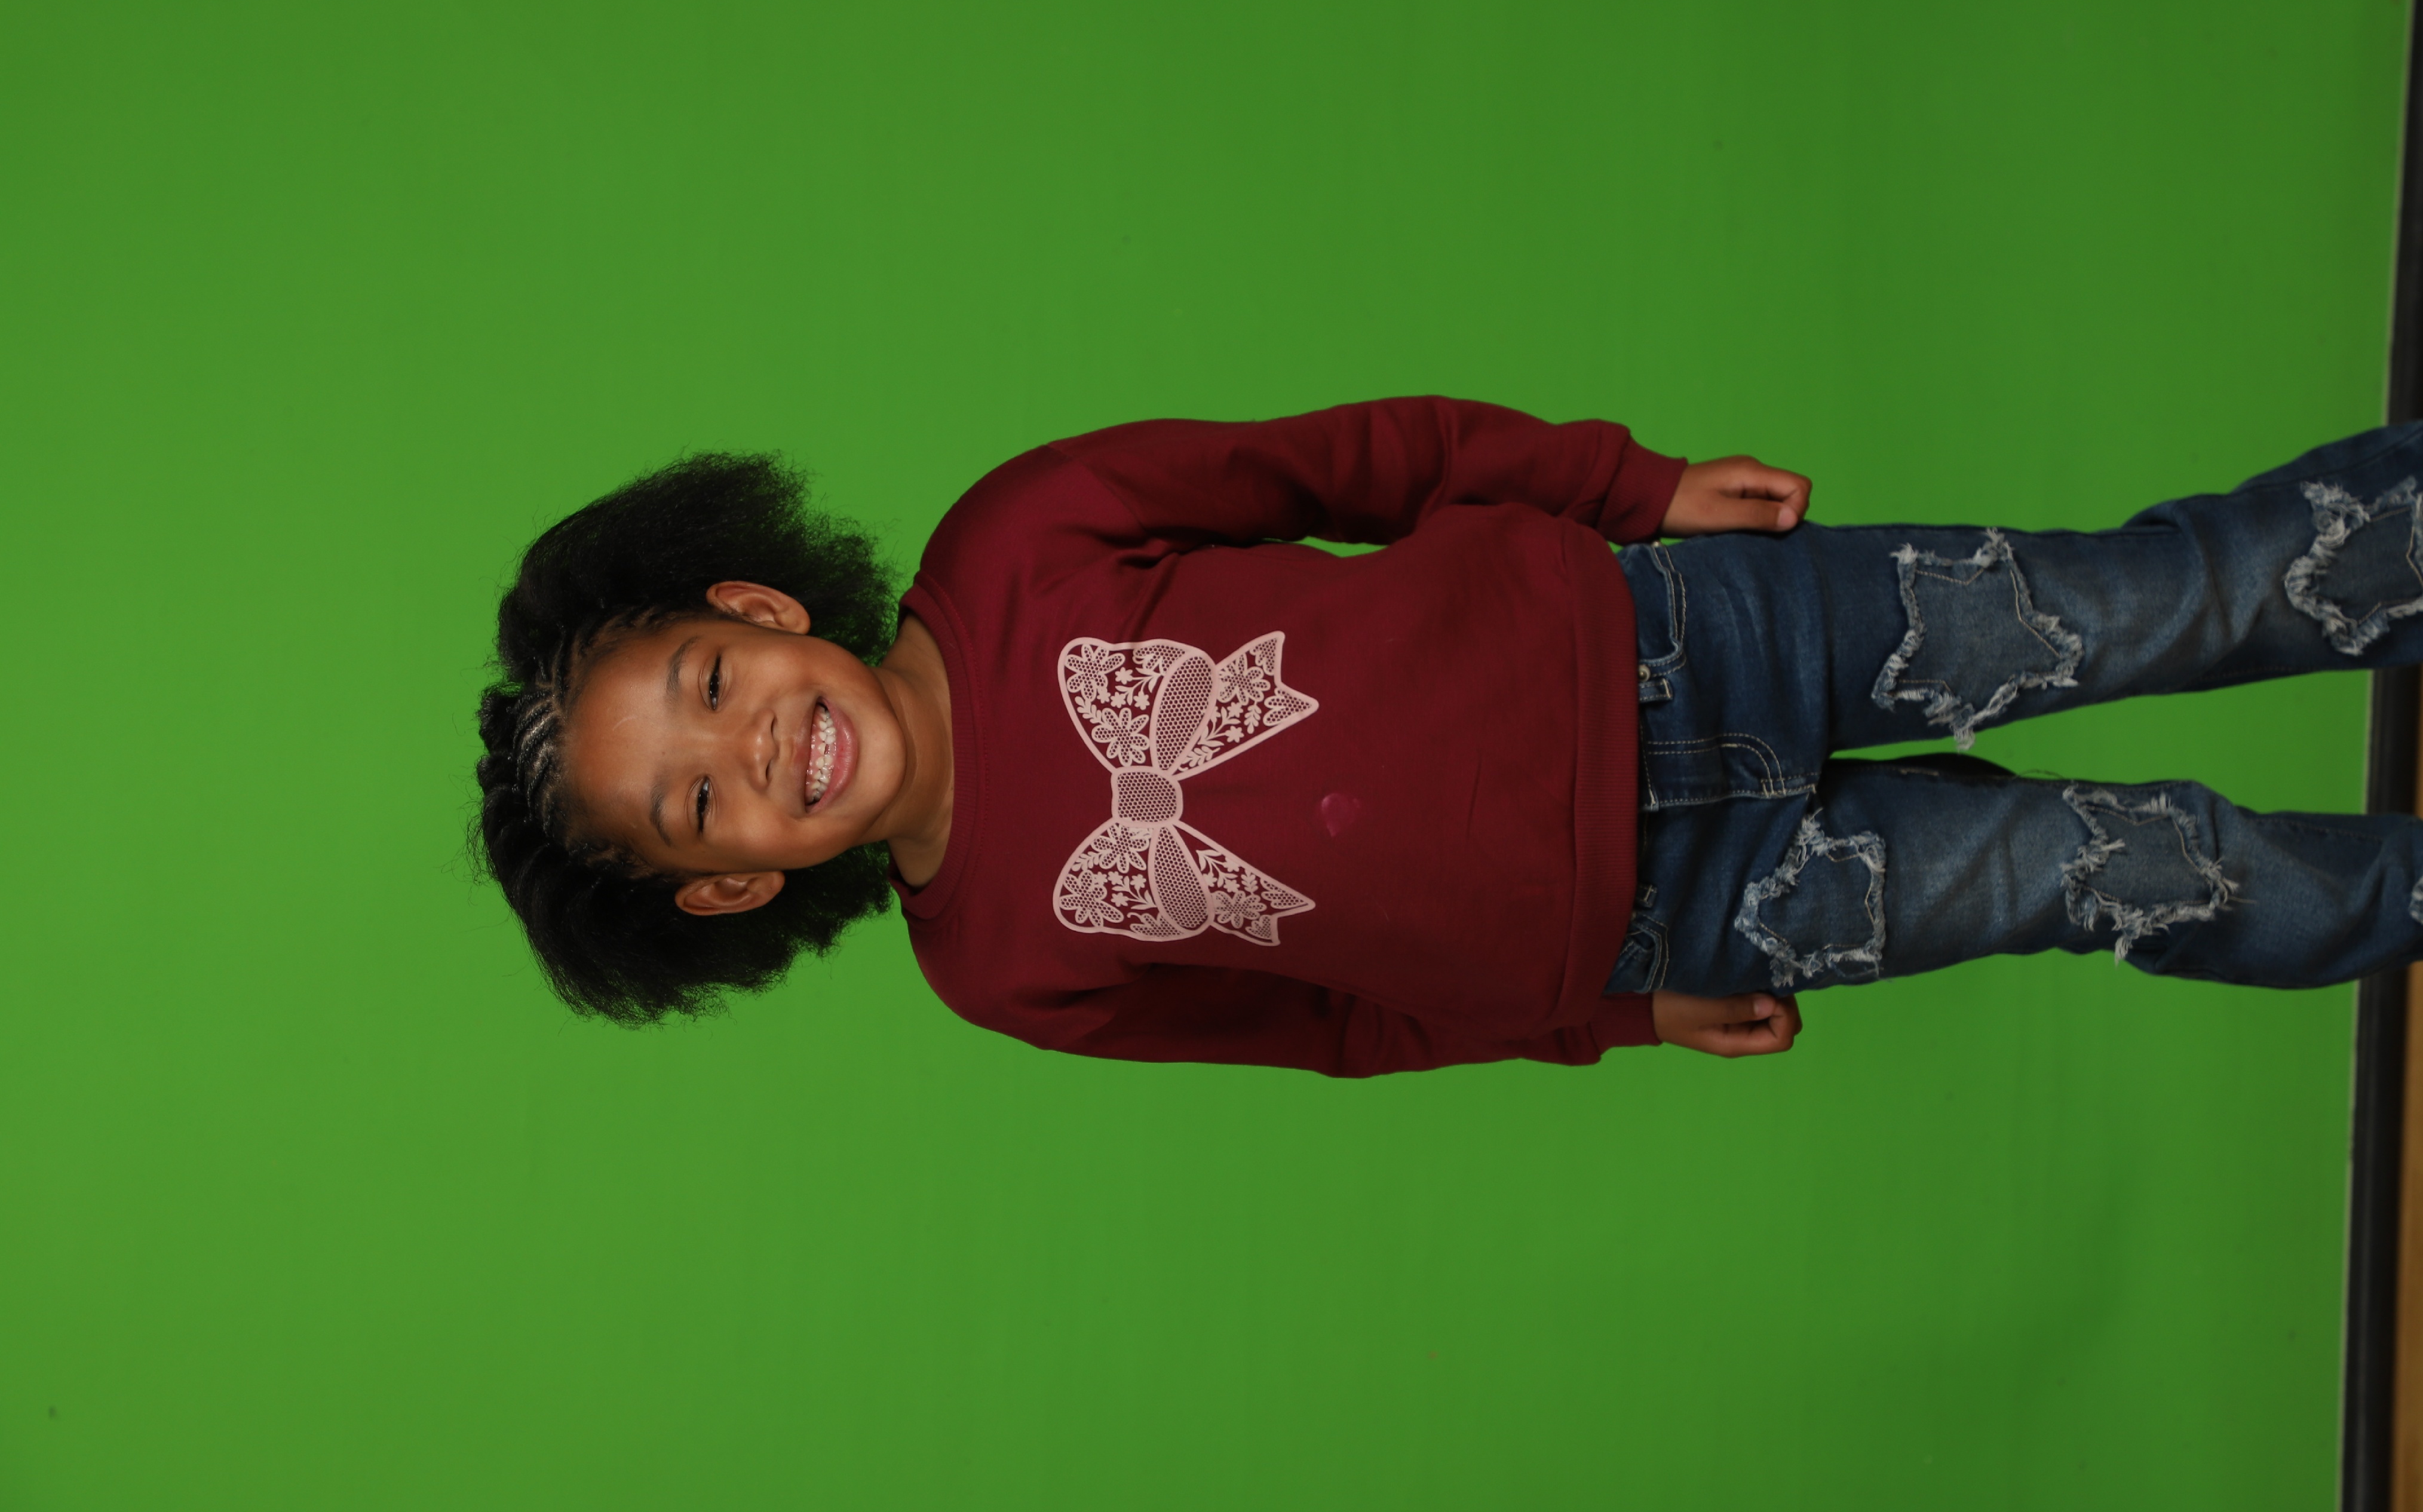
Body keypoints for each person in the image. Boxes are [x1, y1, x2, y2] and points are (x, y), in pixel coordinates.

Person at [472, 398, 2423, 1074]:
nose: (756, 752)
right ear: (732, 885)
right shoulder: (997, 973)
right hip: (1692, 913)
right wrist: (1614, 1016)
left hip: (1690, 636)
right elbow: (1339, 1024)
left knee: (2145, 603)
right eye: (699, 806)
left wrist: (1626, 484)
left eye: (711, 690)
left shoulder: (1020, 534)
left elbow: (1358, 463)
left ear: (757, 612)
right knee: (2114, 870)